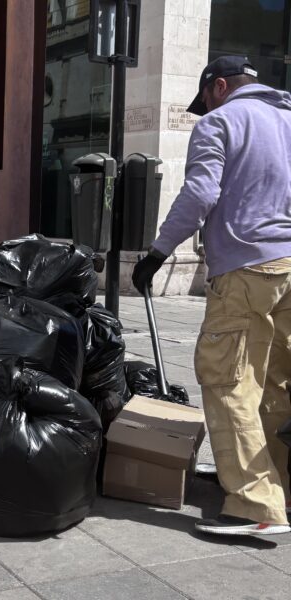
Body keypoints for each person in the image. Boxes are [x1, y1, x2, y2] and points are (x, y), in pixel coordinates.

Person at [132, 56, 291, 536]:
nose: (205, 109)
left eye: (205, 100)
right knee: (276, 383)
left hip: (246, 269)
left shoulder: (220, 123)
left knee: (227, 381)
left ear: (218, 86)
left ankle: (254, 505)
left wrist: (158, 253)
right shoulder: (287, 119)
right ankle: (280, 486)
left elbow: (200, 194)